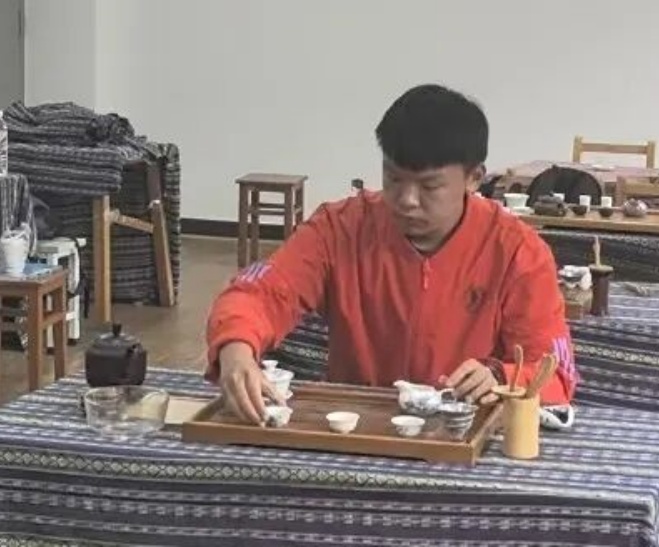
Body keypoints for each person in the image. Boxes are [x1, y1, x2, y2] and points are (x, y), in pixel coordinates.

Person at [205, 84, 577, 424]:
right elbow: (260, 292)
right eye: (394, 179)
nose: (406, 200)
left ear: (474, 178)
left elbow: (555, 374)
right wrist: (236, 349)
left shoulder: (516, 252)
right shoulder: (341, 228)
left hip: (462, 435)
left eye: (429, 186)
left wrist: (499, 377)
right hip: (353, 429)